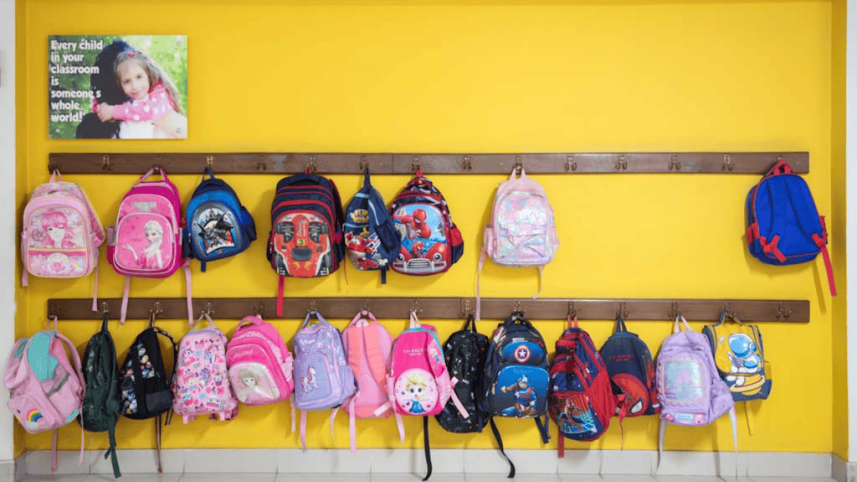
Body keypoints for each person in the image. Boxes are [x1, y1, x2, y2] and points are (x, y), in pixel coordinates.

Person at [76, 40, 186, 139]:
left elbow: (145, 110)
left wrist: (113, 111)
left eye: (139, 77)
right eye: (127, 81)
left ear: (148, 75)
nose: (135, 86)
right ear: (119, 84)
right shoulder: (98, 124)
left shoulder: (157, 96)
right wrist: (99, 108)